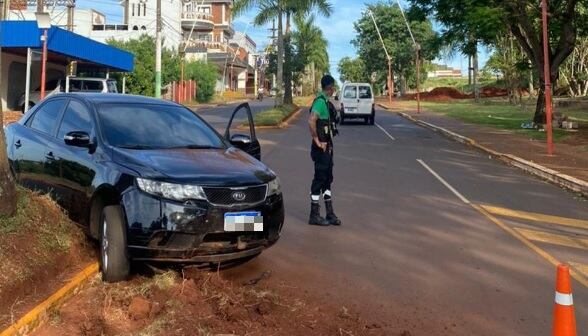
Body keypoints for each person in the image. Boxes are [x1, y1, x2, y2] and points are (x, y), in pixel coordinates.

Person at [308, 75, 341, 226]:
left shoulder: (327, 102)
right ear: (329, 87)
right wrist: (317, 141)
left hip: (328, 148)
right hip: (320, 149)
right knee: (319, 179)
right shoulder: (320, 102)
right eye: (333, 86)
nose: (334, 89)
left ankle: (329, 213)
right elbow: (311, 120)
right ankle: (314, 215)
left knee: (328, 179)